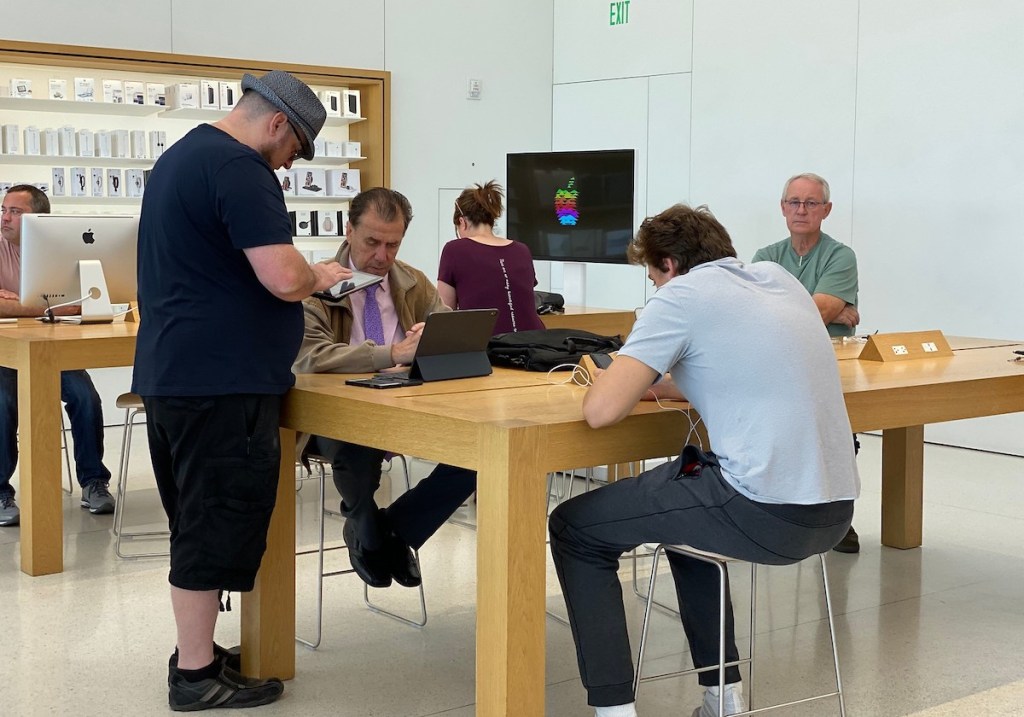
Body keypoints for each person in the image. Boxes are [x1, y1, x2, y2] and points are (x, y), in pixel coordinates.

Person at [549, 204, 859, 717]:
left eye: (653, 278)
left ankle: (614, 711)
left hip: (764, 513)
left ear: (669, 264)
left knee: (574, 528)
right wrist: (656, 384)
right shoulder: (778, 279)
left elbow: (600, 411)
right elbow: (730, 366)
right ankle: (722, 698)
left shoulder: (682, 297)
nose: (655, 289)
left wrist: (624, 375)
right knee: (681, 508)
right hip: (833, 512)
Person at [132, 70, 350, 711]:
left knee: (195, 515)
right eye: (293, 152)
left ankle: (194, 651)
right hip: (221, 383)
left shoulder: (183, 157)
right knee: (214, 519)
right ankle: (195, 676)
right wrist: (323, 274)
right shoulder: (238, 167)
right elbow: (283, 278)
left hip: (181, 374)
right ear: (278, 124)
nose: (286, 168)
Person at [294, 187, 477, 590]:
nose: (382, 255)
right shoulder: (314, 286)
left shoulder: (414, 282)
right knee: (354, 444)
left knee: (482, 447)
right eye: (372, 242)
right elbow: (311, 357)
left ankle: (391, 531)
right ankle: (369, 530)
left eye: (393, 244)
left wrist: (434, 339)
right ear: (348, 231)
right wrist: (390, 352)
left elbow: (451, 335)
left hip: (407, 405)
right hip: (335, 413)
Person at [752, 172, 862, 553]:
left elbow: (819, 309)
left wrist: (829, 306)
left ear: (826, 210)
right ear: (783, 208)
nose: (802, 210)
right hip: (776, 365)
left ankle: (837, 519)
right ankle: (778, 512)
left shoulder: (840, 256)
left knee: (835, 436)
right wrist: (831, 306)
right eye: (794, 202)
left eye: (811, 203)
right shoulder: (766, 257)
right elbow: (757, 313)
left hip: (828, 368)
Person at [0, 184, 114, 527]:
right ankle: (1, 491)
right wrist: (46, 305)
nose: (5, 218)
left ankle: (94, 481)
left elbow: (82, 301)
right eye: (3, 210)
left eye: (15, 212)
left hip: (52, 348)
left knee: (86, 397)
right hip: (6, 352)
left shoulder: (62, 249)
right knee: (2, 401)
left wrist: (16, 304)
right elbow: (62, 304)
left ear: (39, 219)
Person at [437, 181, 545, 333]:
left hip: (489, 347)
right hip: (533, 344)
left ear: (462, 222)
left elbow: (444, 313)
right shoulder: (522, 250)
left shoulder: (454, 249)